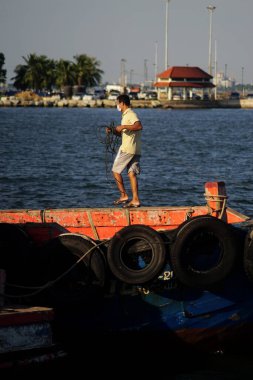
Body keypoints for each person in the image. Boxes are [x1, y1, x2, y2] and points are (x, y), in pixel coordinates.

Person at [107, 94, 142, 208]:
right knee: (131, 174)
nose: (117, 105)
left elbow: (139, 126)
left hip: (127, 149)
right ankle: (135, 200)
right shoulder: (125, 115)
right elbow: (124, 132)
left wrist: (123, 126)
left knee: (115, 171)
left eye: (118, 103)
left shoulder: (130, 114)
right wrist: (112, 131)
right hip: (135, 149)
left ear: (122, 103)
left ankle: (123, 195)